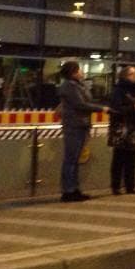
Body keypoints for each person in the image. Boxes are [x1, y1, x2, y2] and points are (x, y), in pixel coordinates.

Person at [58, 61, 109, 202]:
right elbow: (80, 104)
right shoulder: (69, 86)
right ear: (73, 72)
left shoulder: (77, 85)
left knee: (75, 160)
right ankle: (68, 190)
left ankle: (74, 189)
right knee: (71, 159)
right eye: (79, 70)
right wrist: (101, 109)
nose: (82, 72)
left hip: (81, 125)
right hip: (74, 125)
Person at [108, 65, 135, 194]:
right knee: (119, 157)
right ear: (124, 76)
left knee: (131, 158)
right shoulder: (118, 90)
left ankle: (130, 186)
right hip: (121, 127)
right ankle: (115, 186)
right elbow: (115, 109)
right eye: (131, 74)